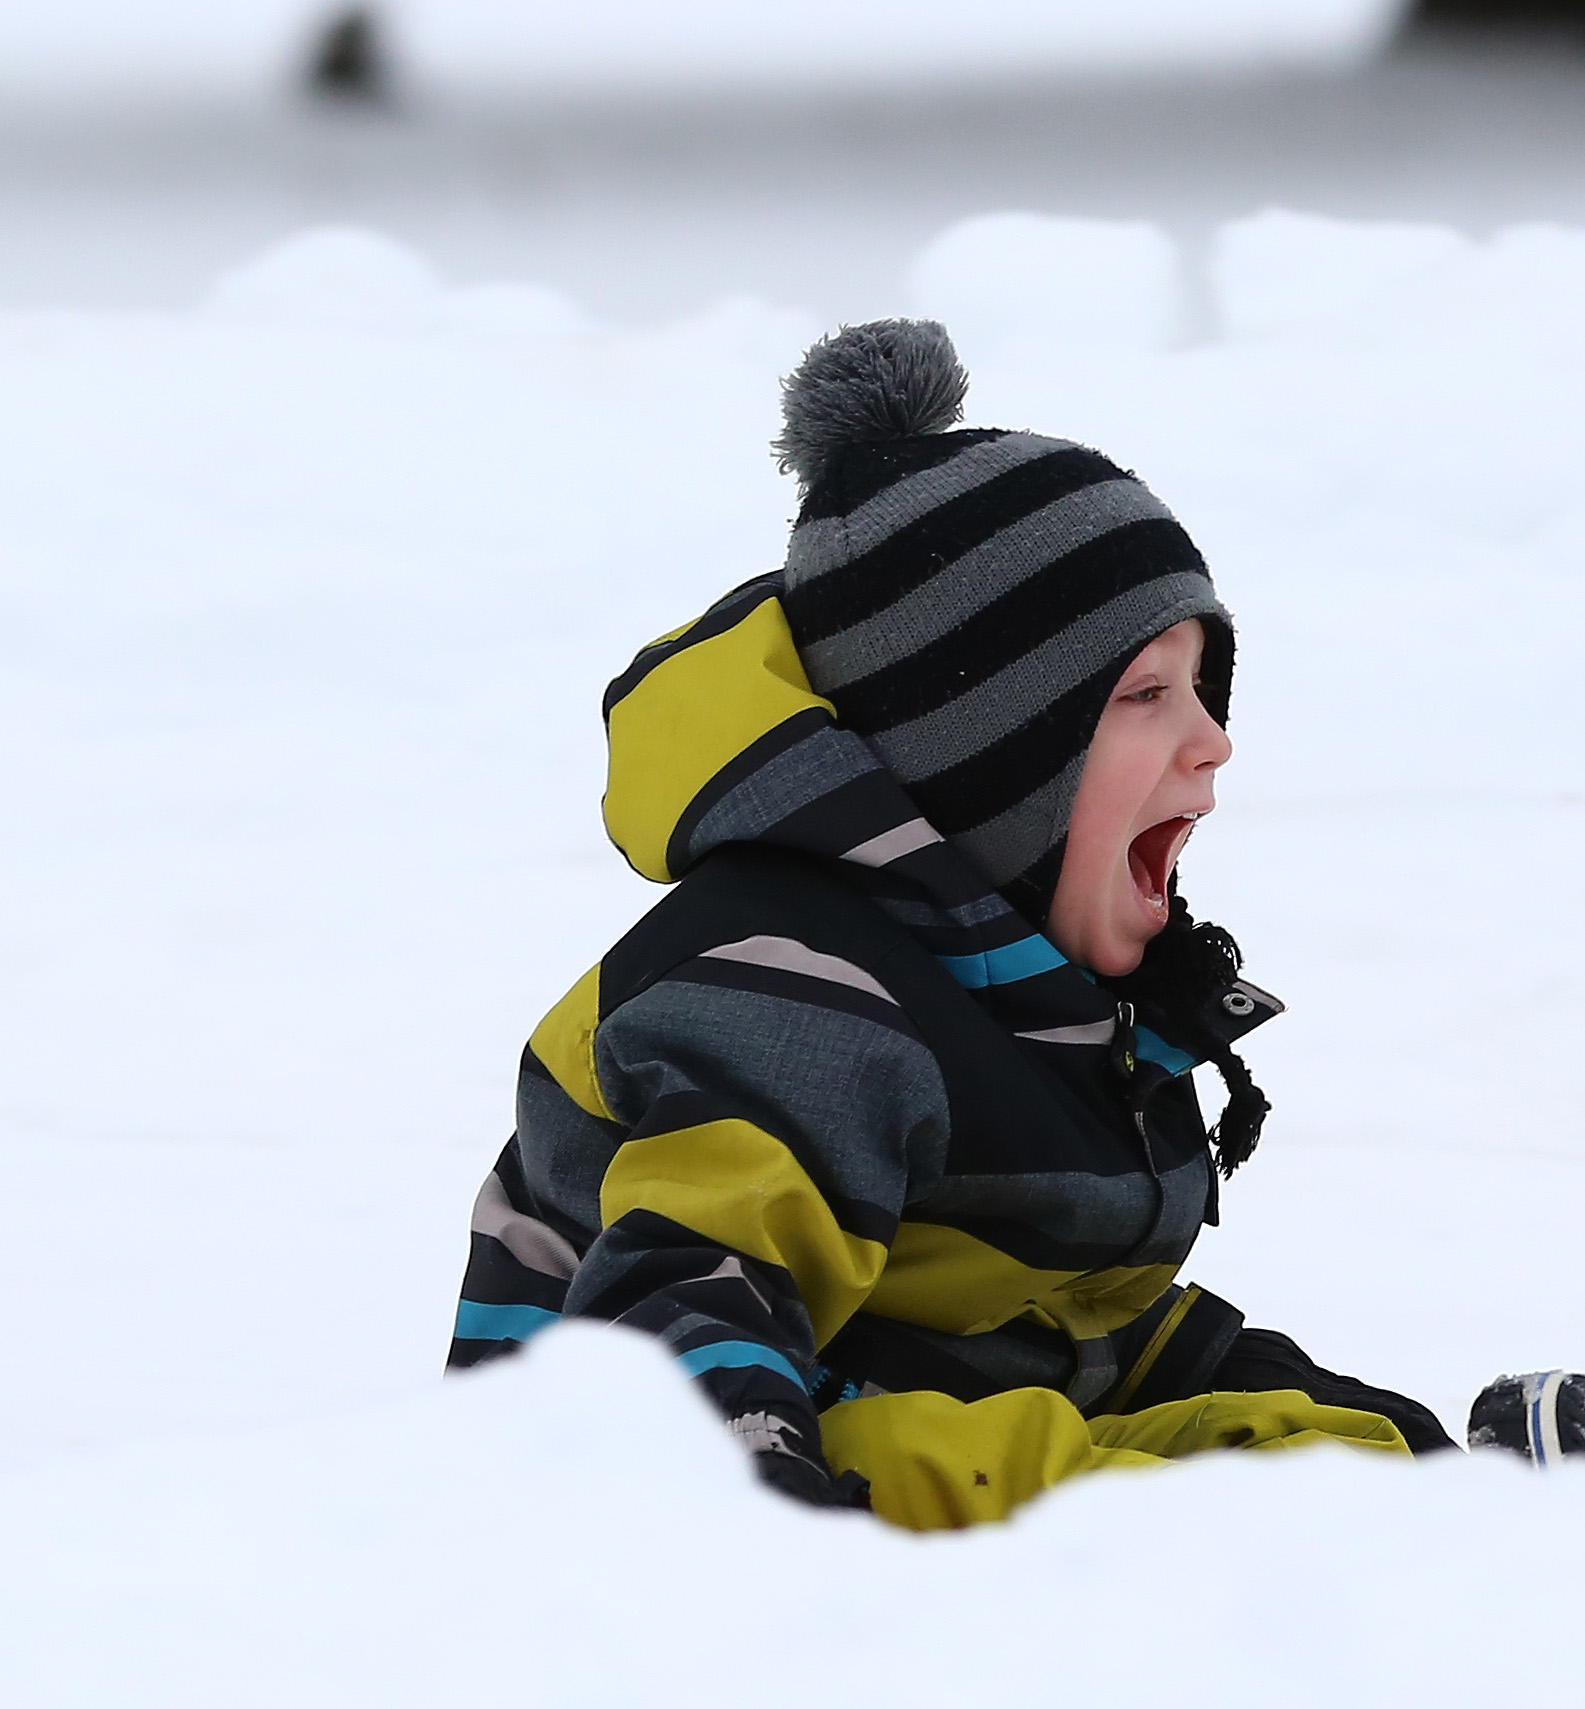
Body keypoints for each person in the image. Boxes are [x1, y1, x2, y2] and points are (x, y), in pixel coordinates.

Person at [446, 319, 1482, 1529]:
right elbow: (678, 1321)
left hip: (904, 1409)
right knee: (1126, 1497)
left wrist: (1371, 1441)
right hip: (647, 1471)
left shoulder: (1019, 990)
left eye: (1202, 689)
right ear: (988, 760)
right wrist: (761, 1548)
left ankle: (1455, 1521)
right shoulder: (793, 988)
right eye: (1146, 696)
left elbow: (1065, 1322)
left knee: (1281, 1450)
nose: (1211, 741)